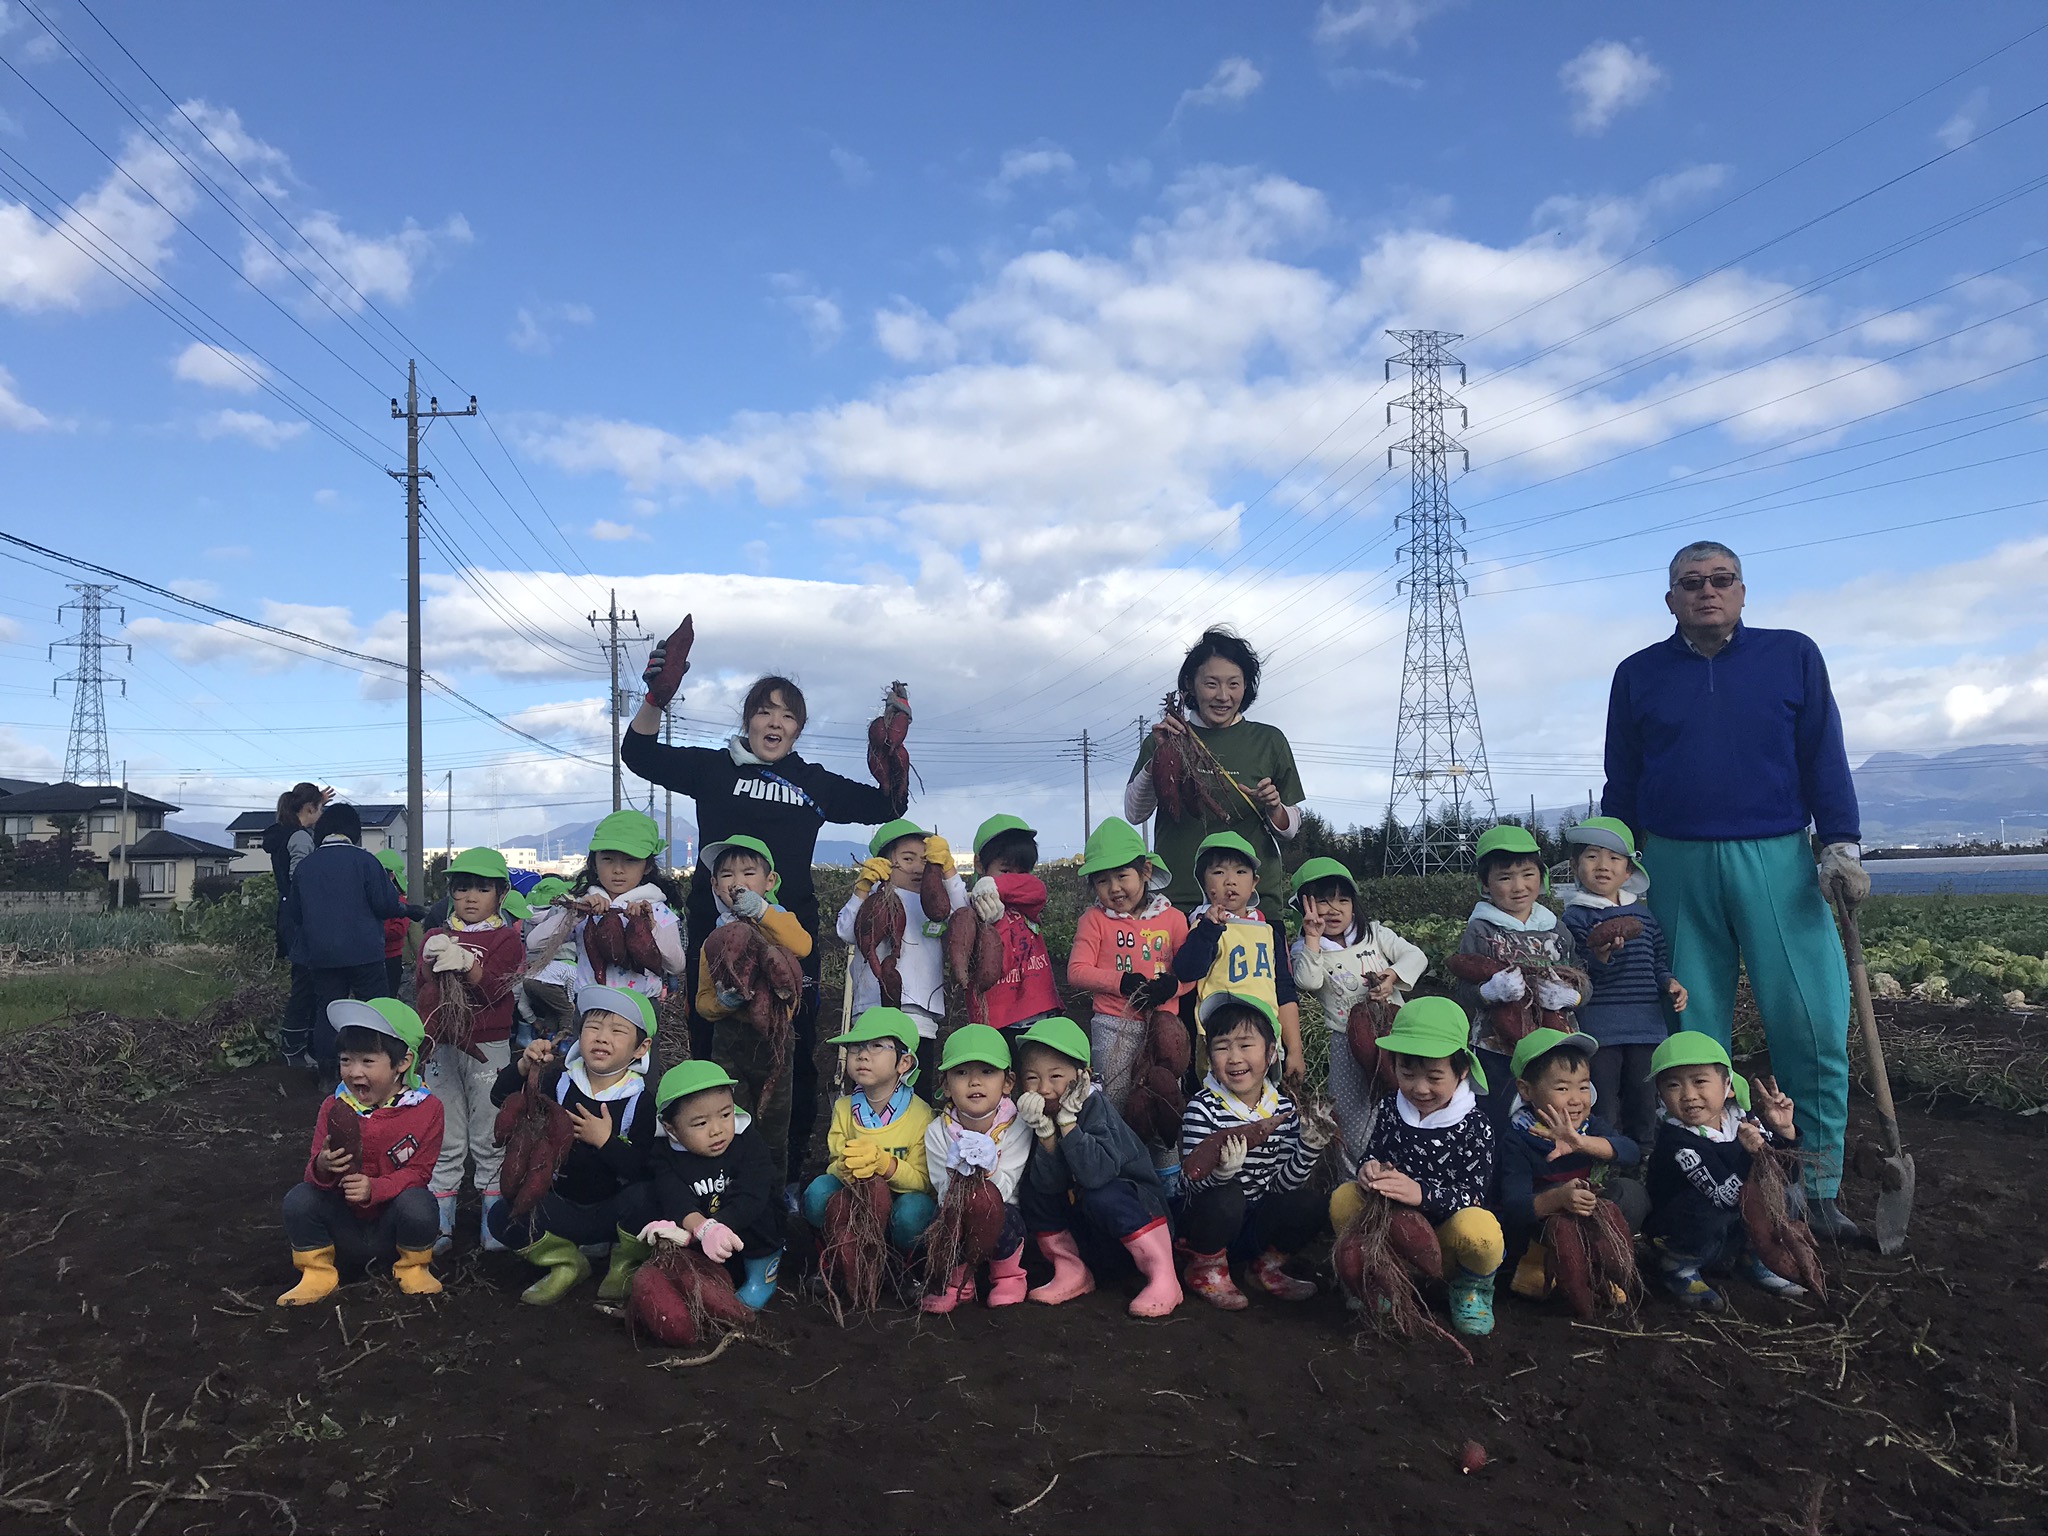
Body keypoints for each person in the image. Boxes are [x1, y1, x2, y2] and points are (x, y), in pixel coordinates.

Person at [1603, 540, 1866, 1241]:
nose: (1707, 591)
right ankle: (1705, 1187)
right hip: (1673, 863)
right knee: (1689, 1036)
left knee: (1809, 1023)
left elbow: (1823, 751)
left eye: (1721, 580)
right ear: (1671, 600)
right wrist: (1613, 863)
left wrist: (1839, 841)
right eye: (1691, 583)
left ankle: (1818, 1186)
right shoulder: (1638, 674)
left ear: (1742, 592)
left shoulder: (1792, 655)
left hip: (1780, 858)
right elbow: (1622, 778)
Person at [622, 662, 907, 1178]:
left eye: (787, 715)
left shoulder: (811, 782)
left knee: (792, 1048)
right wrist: (655, 698)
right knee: (711, 1043)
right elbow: (638, 754)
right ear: (749, 719)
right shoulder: (713, 769)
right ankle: (715, 1163)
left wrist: (889, 751)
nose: (774, 722)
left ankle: (786, 1166)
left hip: (789, 940)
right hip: (717, 940)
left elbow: (887, 805)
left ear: (798, 728)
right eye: (764, 711)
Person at [1330, 997, 1503, 1337]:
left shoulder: (1475, 1125)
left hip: (1445, 1240)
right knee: (1344, 1198)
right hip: (1391, 1234)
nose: (1420, 1089)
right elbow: (1373, 1154)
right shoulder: (1392, 1109)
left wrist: (1420, 1194)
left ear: (1462, 1071)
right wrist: (1369, 1170)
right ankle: (1375, 1276)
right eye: (1407, 1074)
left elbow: (1472, 1193)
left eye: (1435, 1077)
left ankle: (1471, 1289)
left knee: (1481, 1230)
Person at [490, 985, 662, 1305]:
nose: (601, 1037)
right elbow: (502, 1099)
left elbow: (640, 1167)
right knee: (503, 1215)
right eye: (592, 1027)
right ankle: (566, 1262)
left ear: (641, 1048)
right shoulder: (559, 1079)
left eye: (617, 1030)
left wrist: (605, 1142)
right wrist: (524, 1069)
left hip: (614, 1214)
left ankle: (624, 1263)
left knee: (650, 1196)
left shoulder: (641, 1101)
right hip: (560, 1206)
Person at [1125, 625, 1305, 916]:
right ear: (1191, 685)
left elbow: (1291, 828)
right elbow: (1135, 813)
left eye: (1234, 684)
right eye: (1211, 684)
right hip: (1177, 903)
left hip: (1254, 907)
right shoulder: (1167, 737)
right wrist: (1157, 759)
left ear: (1246, 687)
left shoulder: (1269, 740)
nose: (1223, 696)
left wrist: (1274, 808)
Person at [277, 999, 442, 1305]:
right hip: (343, 1233)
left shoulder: (427, 1109)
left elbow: (419, 1173)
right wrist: (323, 1165)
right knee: (300, 1199)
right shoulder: (333, 1106)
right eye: (345, 1060)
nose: (354, 1073)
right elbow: (313, 1173)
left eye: (367, 1062)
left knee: (420, 1202)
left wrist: (374, 1188)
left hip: (391, 1234)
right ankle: (318, 1273)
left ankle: (412, 1268)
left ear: (403, 1062)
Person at [1013, 1018, 1181, 1318]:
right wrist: (1046, 1135)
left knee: (1102, 1193)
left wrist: (1067, 1124)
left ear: (1081, 1077)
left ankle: (1163, 1275)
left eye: (1055, 1076)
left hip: (1138, 1223)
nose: (1044, 1089)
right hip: (1094, 1237)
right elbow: (1050, 1186)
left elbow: (1095, 1175)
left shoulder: (1094, 1108)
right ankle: (1072, 1270)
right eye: (1032, 1078)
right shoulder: (1040, 1115)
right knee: (1034, 1189)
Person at [1177, 990, 1327, 1311]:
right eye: (1222, 1047)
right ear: (1208, 1054)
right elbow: (1189, 1183)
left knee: (1311, 1203)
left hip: (1253, 1227)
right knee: (1227, 1195)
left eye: (1246, 1045)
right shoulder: (1202, 1108)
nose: (1234, 1058)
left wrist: (1308, 1149)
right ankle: (1205, 1270)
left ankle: (1264, 1267)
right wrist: (1220, 1173)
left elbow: (1282, 1186)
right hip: (1207, 1225)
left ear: (1272, 1053)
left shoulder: (1283, 1110)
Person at [1643, 1033, 1809, 1310]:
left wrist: (1784, 1134)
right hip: (1684, 1231)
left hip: (1731, 1231)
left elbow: (1784, 1174)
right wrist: (1748, 1156)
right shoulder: (1679, 1143)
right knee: (1706, 1208)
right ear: (1661, 1095)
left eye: (1699, 1081)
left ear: (1728, 1087)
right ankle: (1678, 1266)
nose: (1688, 1095)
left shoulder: (1742, 1121)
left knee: (1789, 1193)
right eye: (1673, 1085)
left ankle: (1755, 1256)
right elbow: (1724, 1196)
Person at [416, 848, 526, 1255]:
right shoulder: (433, 937)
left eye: (483, 888)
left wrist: (466, 964)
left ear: (501, 893)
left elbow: (496, 988)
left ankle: (493, 1222)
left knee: (490, 1131)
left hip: (488, 1045)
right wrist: (431, 966)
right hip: (442, 1047)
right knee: (444, 1132)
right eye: (462, 888)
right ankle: (440, 1224)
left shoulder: (506, 940)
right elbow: (423, 992)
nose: (471, 897)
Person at [1288, 854, 1429, 1166]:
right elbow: (1307, 981)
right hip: (1347, 1044)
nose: (1334, 909)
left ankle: (1407, 1168)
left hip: (1395, 1035)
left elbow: (1416, 956)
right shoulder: (1307, 950)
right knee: (1352, 1112)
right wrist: (1312, 937)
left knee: (1402, 1099)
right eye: (1322, 901)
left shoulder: (1375, 934)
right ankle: (1355, 1175)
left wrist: (1392, 977)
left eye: (1343, 899)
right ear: (1303, 907)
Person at [1558, 818, 1685, 1149]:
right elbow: (1576, 974)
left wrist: (1670, 982)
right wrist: (1599, 958)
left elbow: (1656, 959)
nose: (1603, 866)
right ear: (1574, 866)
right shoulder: (1574, 918)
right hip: (1601, 1027)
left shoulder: (1643, 915)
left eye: (1614, 858)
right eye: (1591, 856)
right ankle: (1606, 1158)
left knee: (1644, 1096)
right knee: (1604, 1098)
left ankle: (1644, 1157)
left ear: (1628, 872)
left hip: (1646, 1025)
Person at [1449, 824, 1589, 1125]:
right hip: (1497, 1049)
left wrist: (1572, 997)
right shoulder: (1481, 928)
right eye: (1505, 877)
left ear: (1542, 877)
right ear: (1485, 884)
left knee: (1554, 1115)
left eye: (1528, 875)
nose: (1519, 886)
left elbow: (1583, 978)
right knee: (1499, 1117)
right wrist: (1488, 992)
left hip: (1555, 1045)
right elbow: (1462, 990)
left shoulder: (1555, 927)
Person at [1495, 1028, 1645, 1306]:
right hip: (1540, 1227)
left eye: (1583, 1086)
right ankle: (1550, 1271)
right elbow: (1515, 1207)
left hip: (1587, 1214)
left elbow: (1630, 1152)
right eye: (1563, 1088)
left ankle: (1606, 1269)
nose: (1576, 1099)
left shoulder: (1589, 1127)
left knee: (1629, 1193)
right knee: (1563, 1229)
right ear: (1526, 1090)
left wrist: (1581, 1144)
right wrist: (1560, 1198)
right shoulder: (1518, 1139)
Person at [697, 834, 815, 1185]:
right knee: (734, 1120)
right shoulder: (715, 939)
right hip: (729, 1040)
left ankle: (774, 1201)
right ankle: (734, 1194)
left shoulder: (780, 921)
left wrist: (762, 913)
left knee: (774, 1125)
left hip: (776, 1039)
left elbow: (803, 945)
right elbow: (703, 1003)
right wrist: (724, 1002)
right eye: (727, 875)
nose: (738, 883)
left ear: (770, 882)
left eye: (749, 873)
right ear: (715, 886)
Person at [284, 803, 418, 1077]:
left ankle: (328, 1074)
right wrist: (408, 910)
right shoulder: (367, 862)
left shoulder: (306, 867)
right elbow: (385, 905)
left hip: (321, 955)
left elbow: (295, 913)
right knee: (377, 1008)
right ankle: (381, 1070)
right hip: (365, 953)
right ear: (354, 833)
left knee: (328, 1011)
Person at [647, 1060, 786, 1311]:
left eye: (725, 1115)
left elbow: (751, 1193)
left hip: (746, 1224)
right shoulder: (664, 1154)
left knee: (763, 1211)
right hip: (704, 1234)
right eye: (701, 1123)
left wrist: (720, 1225)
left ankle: (763, 1273)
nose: (717, 1130)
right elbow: (674, 1198)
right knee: (656, 1206)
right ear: (671, 1129)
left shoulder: (748, 1142)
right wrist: (703, 1229)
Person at [837, 820, 965, 1087]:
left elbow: (963, 917)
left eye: (925, 859)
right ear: (883, 863)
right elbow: (846, 931)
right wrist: (862, 888)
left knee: (917, 1094)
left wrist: (949, 870)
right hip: (872, 1013)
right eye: (908, 859)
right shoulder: (872, 897)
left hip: (921, 1018)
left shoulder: (934, 902)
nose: (918, 868)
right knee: (871, 1090)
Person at [801, 1006, 938, 1253]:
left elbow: (923, 1182)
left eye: (876, 1046)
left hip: (900, 1201)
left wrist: (885, 1165)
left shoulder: (921, 1115)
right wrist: (846, 1167)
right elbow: (833, 1164)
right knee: (819, 1193)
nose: (863, 1055)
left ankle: (905, 1266)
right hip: (856, 1196)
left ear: (904, 1062)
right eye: (856, 1046)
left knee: (915, 1212)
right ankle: (836, 1254)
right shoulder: (844, 1108)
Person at [1168, 832, 1301, 1081]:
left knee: (1266, 1104)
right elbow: (1186, 970)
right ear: (1203, 882)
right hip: (1219, 1039)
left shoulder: (1268, 931)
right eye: (1218, 873)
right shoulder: (1200, 926)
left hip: (1265, 1036)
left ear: (1254, 883)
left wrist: (1295, 1049)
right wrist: (1209, 930)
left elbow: (1284, 990)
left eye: (1241, 872)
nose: (1230, 881)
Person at [921, 1023, 1032, 1314]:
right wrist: (961, 1173)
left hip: (1003, 1211)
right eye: (961, 1073)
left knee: (996, 1210)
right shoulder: (937, 1132)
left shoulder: (1017, 1126)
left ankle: (1007, 1275)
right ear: (945, 1085)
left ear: (1008, 1082)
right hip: (955, 1208)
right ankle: (957, 1280)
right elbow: (942, 1187)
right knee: (943, 1217)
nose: (974, 1082)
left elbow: (1008, 1183)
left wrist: (984, 1168)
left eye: (987, 1072)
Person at [521, 811, 685, 1003]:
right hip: (590, 1006)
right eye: (608, 859)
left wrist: (650, 928)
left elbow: (676, 965)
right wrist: (575, 914)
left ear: (647, 867)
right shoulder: (584, 904)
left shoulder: (657, 909)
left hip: (640, 1007)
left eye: (630, 860)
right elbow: (534, 943)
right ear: (594, 862)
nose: (618, 869)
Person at [964, 815, 1063, 1036]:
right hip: (996, 1017)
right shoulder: (970, 912)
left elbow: (1037, 888)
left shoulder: (1028, 898)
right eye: (1005, 870)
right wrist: (995, 922)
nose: (1016, 879)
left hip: (1040, 1008)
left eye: (1022, 872)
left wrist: (993, 884)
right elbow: (997, 964)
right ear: (979, 864)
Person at [266, 783, 329, 1061]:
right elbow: (300, 878)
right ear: (308, 809)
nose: (322, 814)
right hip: (301, 918)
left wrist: (316, 800)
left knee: (303, 981)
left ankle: (297, 1047)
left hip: (287, 915)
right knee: (306, 984)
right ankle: (295, 1049)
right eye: (320, 809)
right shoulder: (301, 839)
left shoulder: (282, 833)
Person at [517, 875, 578, 1042]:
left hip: (532, 970)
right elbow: (572, 977)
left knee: (551, 1008)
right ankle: (563, 1041)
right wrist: (571, 1000)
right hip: (557, 965)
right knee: (566, 1009)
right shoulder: (560, 915)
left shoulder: (525, 915)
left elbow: (524, 943)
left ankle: (543, 1039)